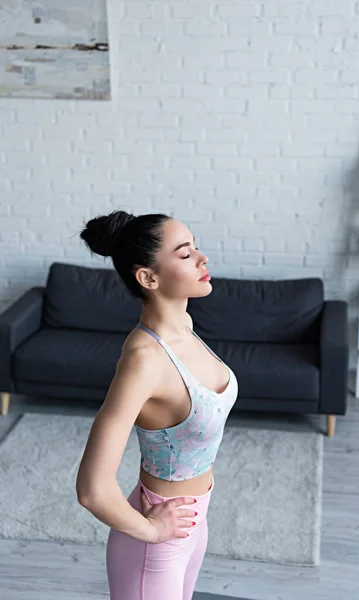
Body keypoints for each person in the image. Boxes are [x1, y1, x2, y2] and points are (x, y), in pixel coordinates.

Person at [75, 210, 238, 600]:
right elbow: (92, 489)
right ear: (148, 278)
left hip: (193, 523)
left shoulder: (185, 327)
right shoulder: (144, 359)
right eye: (185, 254)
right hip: (155, 540)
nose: (202, 259)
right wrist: (152, 532)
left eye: (195, 247)